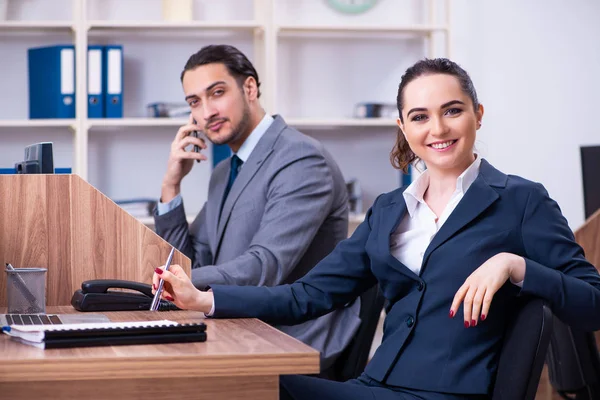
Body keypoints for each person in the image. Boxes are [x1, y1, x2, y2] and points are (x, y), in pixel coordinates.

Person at [152, 58, 600, 399]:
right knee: (236, 383)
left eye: (453, 111)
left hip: (443, 393)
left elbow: (593, 304)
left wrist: (515, 265)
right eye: (420, 117)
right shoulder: (390, 209)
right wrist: (204, 299)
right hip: (373, 384)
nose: (438, 128)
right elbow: (306, 295)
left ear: (477, 115)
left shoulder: (521, 200)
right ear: (403, 128)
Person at [153, 44, 361, 370]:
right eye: (195, 102)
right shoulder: (224, 171)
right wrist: (171, 187)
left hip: (291, 339)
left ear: (249, 87)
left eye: (217, 93)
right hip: (236, 326)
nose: (206, 112)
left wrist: (168, 281)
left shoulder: (301, 158)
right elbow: (195, 260)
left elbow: (265, 267)